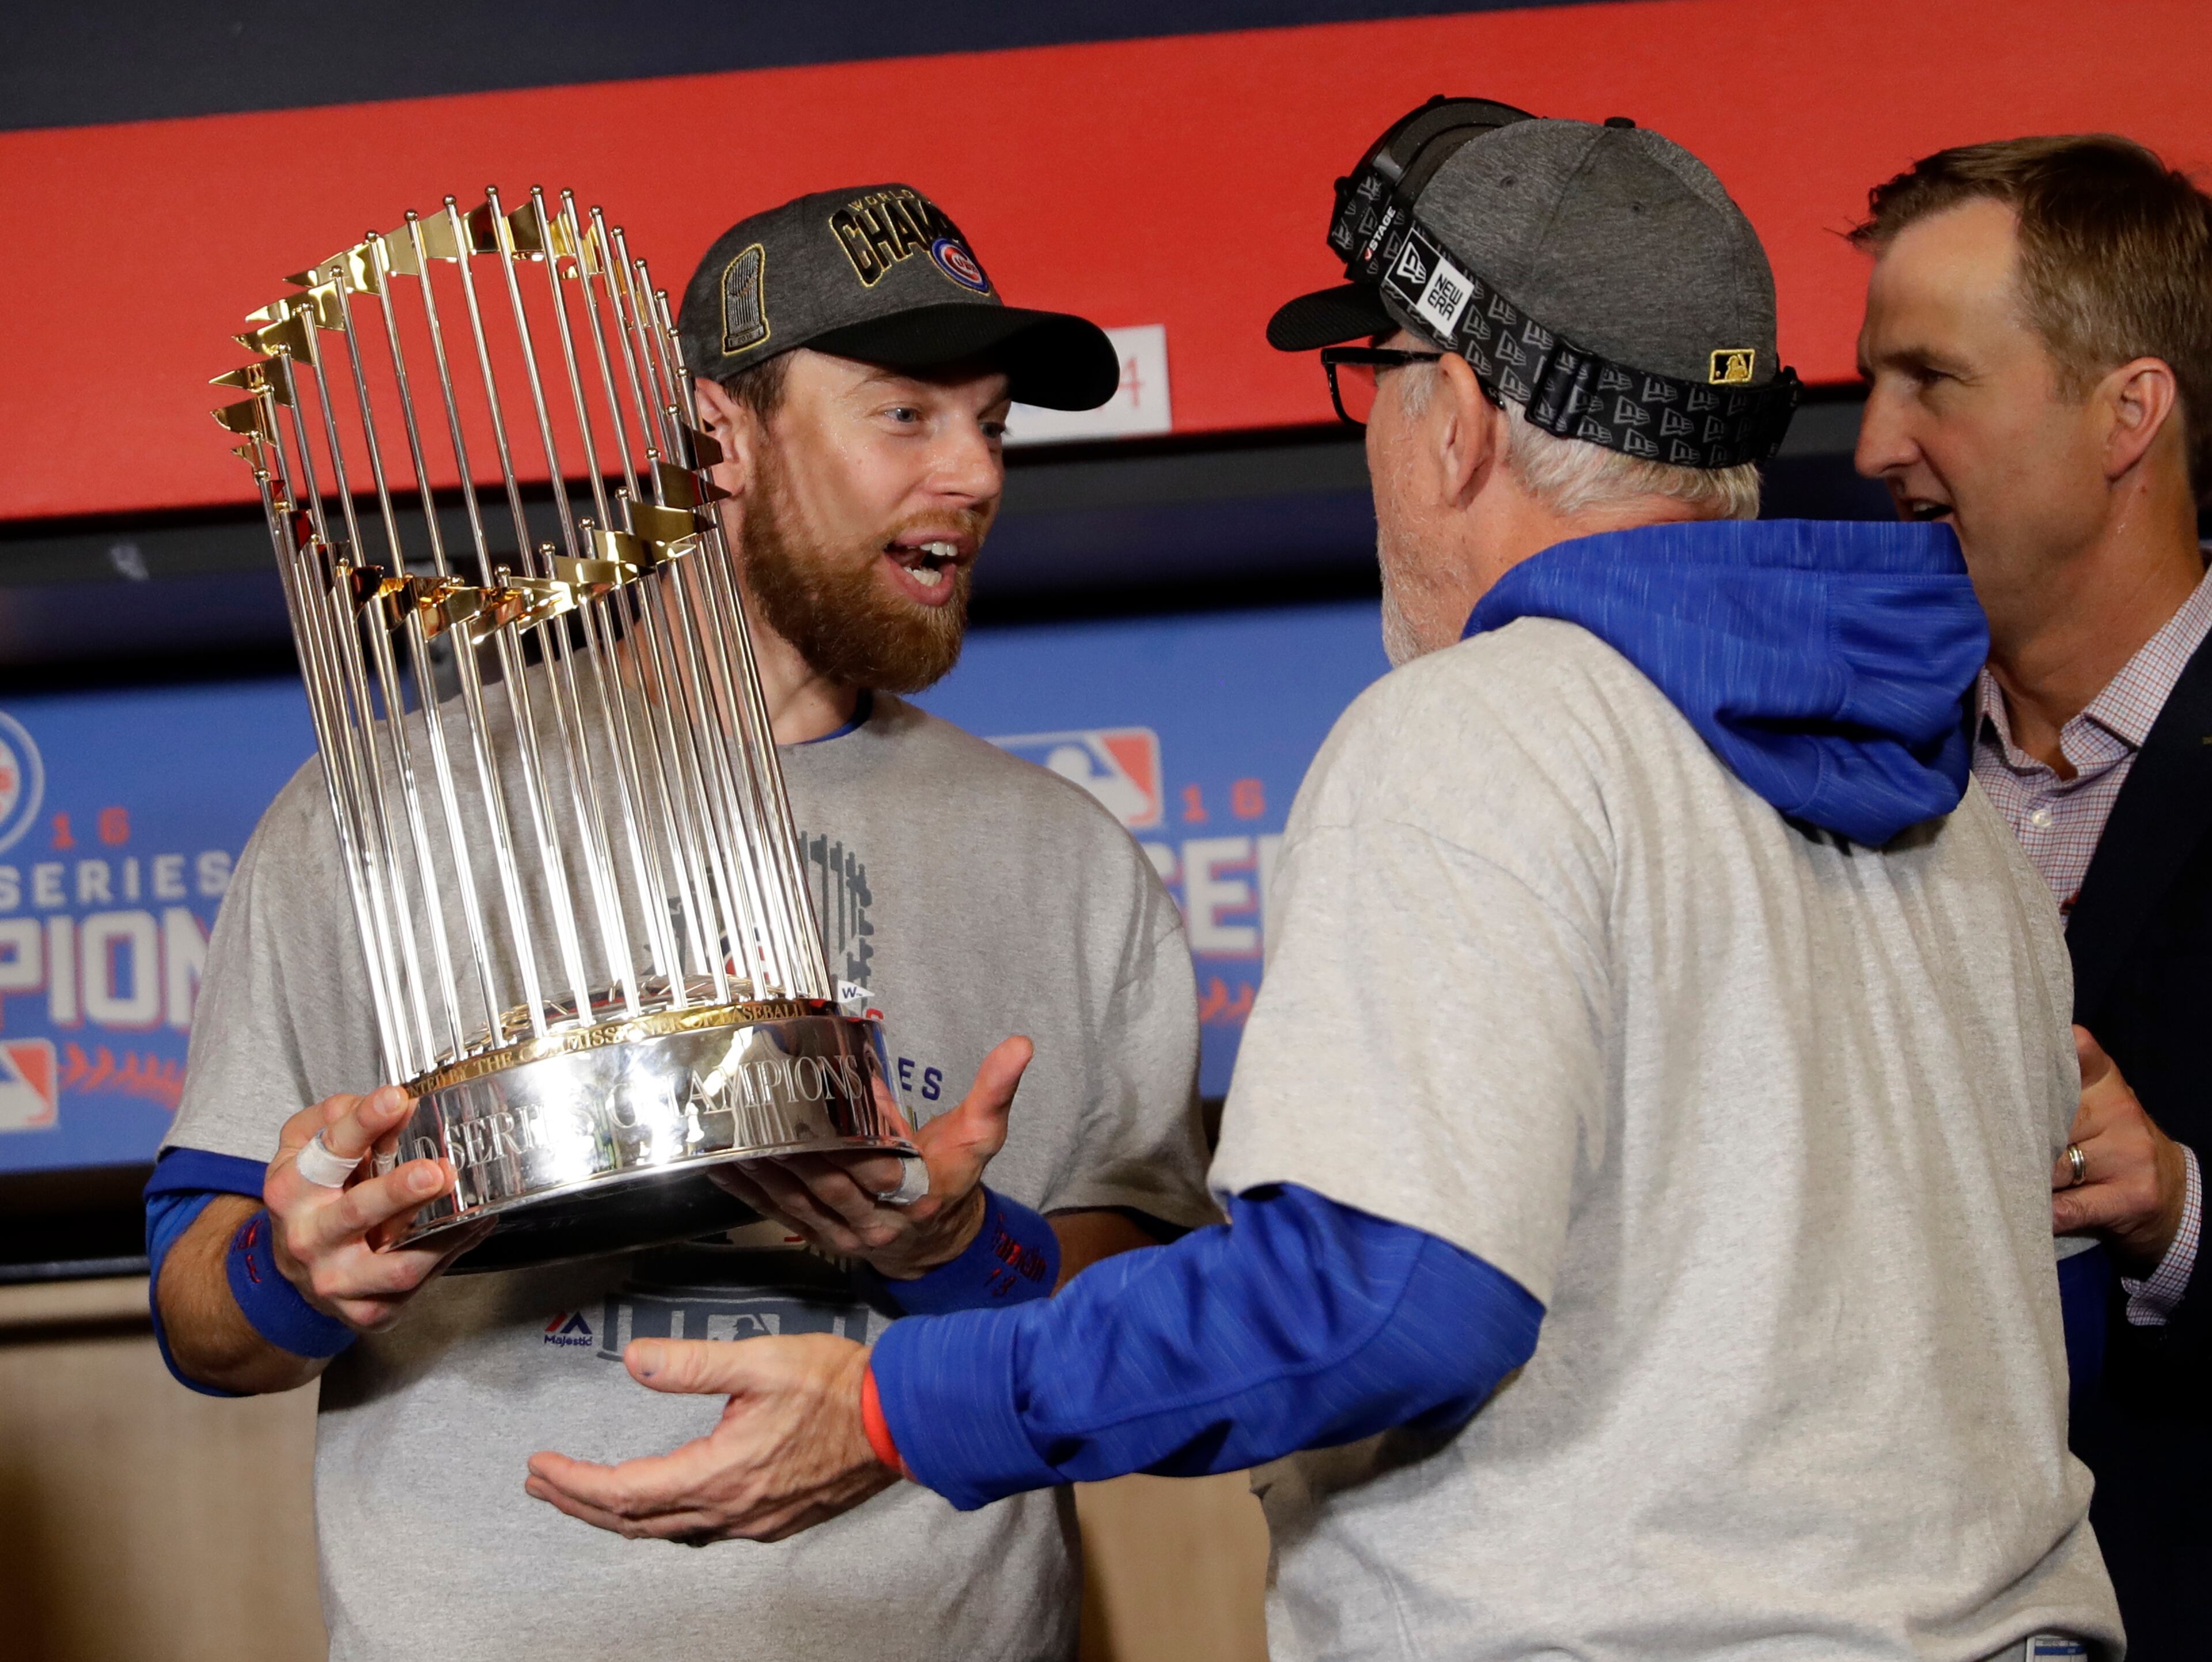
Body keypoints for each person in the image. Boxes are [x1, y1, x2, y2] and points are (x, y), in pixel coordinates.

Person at [524, 115, 2122, 1657]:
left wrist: (891, 1407)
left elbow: (1393, 1304)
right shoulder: (1962, 819)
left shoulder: (1487, 730)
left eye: (1376, 374)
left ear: (1465, 417)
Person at [145, 183, 1217, 1662]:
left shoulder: (1066, 857)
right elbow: (201, 1317)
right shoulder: (378, 813)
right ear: (722, 436)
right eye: (906, 414)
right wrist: (293, 1269)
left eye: (993, 424)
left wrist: (965, 1246)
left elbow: (1154, 1319)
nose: (974, 472)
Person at [1853, 134, 2212, 1660]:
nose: (1874, 441)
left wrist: (2181, 1208)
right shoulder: (1846, 780)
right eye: (1874, 380)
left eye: (1933, 378)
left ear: (2130, 409)